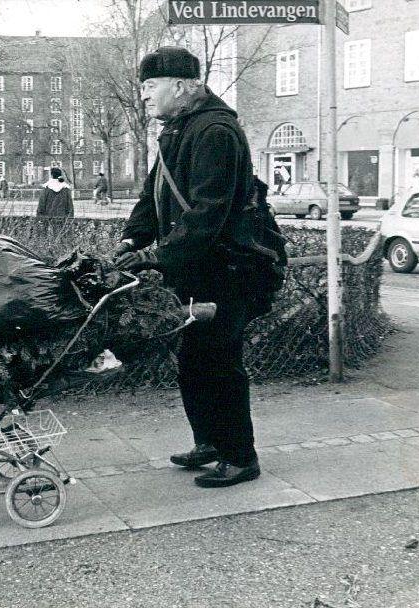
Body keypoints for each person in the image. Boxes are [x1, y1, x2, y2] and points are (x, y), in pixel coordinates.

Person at [114, 46, 268, 488]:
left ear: (181, 86)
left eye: (149, 87)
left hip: (226, 270)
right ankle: (210, 442)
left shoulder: (216, 132)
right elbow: (152, 196)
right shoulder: (178, 130)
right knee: (193, 360)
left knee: (219, 361)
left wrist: (154, 256)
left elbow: (207, 213)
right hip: (196, 270)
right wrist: (132, 238)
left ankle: (240, 456)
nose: (143, 96)